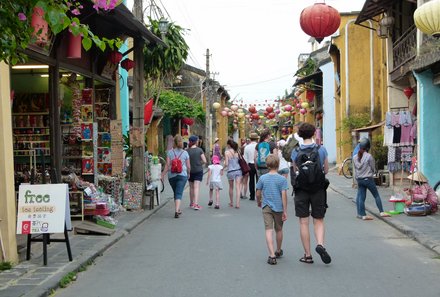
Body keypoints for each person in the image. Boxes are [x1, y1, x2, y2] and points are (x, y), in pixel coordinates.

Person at [291, 123, 331, 264]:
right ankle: (320, 244)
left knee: (303, 221)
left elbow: (296, 170)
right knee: (318, 219)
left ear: (300, 135)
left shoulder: (295, 151)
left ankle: (307, 255)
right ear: (314, 133)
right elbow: (325, 170)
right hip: (318, 189)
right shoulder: (321, 149)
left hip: (301, 189)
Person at [256, 154, 288, 265]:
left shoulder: (262, 178)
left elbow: (258, 192)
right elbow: (284, 195)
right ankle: (278, 250)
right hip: (278, 207)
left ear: (267, 165)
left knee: (268, 230)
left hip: (266, 207)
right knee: (279, 229)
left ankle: (271, 255)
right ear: (278, 165)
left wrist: (259, 201)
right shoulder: (282, 179)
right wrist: (285, 210)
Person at [354, 138, 391, 220]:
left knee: (361, 197)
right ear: (368, 147)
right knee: (376, 195)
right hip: (368, 180)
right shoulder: (369, 156)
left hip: (359, 180)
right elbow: (373, 168)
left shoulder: (355, 157)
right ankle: (381, 212)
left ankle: (362, 215)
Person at [163, 135, 190, 218]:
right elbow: (188, 166)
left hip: (172, 176)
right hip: (182, 175)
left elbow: (167, 165)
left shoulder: (170, 152)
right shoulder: (185, 153)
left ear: (174, 143)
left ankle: (178, 209)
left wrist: (162, 174)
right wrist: (189, 174)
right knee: (179, 193)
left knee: (176, 192)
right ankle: (176, 210)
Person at [187, 135, 207, 210]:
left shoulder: (187, 151)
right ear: (196, 141)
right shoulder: (199, 150)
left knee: (191, 187)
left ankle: (191, 203)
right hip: (198, 170)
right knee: (196, 187)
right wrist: (199, 163)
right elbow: (205, 161)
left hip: (190, 171)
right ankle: (196, 204)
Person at [225, 139, 243, 208]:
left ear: (229, 145)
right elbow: (241, 160)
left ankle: (231, 202)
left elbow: (226, 164)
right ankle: (237, 204)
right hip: (238, 170)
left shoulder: (227, 152)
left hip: (230, 171)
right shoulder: (238, 151)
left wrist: (223, 168)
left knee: (231, 187)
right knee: (238, 187)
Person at [244, 132, 259, 200]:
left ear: (250, 139)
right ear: (256, 139)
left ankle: (252, 196)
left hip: (250, 164)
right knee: (258, 180)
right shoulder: (259, 146)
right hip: (258, 164)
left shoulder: (247, 147)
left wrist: (246, 167)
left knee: (251, 180)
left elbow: (245, 159)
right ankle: (258, 195)